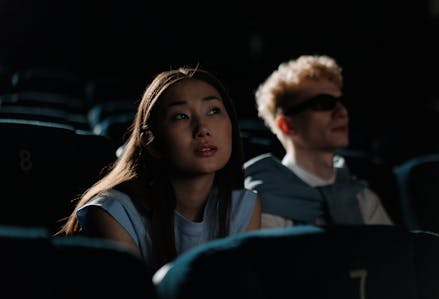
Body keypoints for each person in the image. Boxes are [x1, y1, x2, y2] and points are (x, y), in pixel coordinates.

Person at [56, 65, 262, 272]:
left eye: (213, 111)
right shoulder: (113, 213)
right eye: (181, 116)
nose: (203, 129)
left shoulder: (243, 206)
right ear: (151, 142)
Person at [244, 54, 392, 228]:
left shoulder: (362, 198)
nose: (342, 112)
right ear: (287, 125)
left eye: (340, 101)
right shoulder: (264, 202)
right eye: (323, 103)